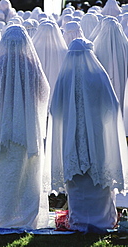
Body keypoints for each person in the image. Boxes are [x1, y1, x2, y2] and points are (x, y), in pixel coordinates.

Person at [46, 38, 128, 233]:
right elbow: (112, 107)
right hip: (97, 138)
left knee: (78, 181)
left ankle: (80, 221)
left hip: (71, 139)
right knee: (97, 177)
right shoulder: (98, 75)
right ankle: (102, 220)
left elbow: (55, 110)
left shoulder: (65, 78)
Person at [0, 25, 50, 229]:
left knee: (4, 173)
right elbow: (43, 93)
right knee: (27, 173)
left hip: (2, 125)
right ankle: (27, 216)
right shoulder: (31, 65)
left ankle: (4, 215)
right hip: (26, 126)